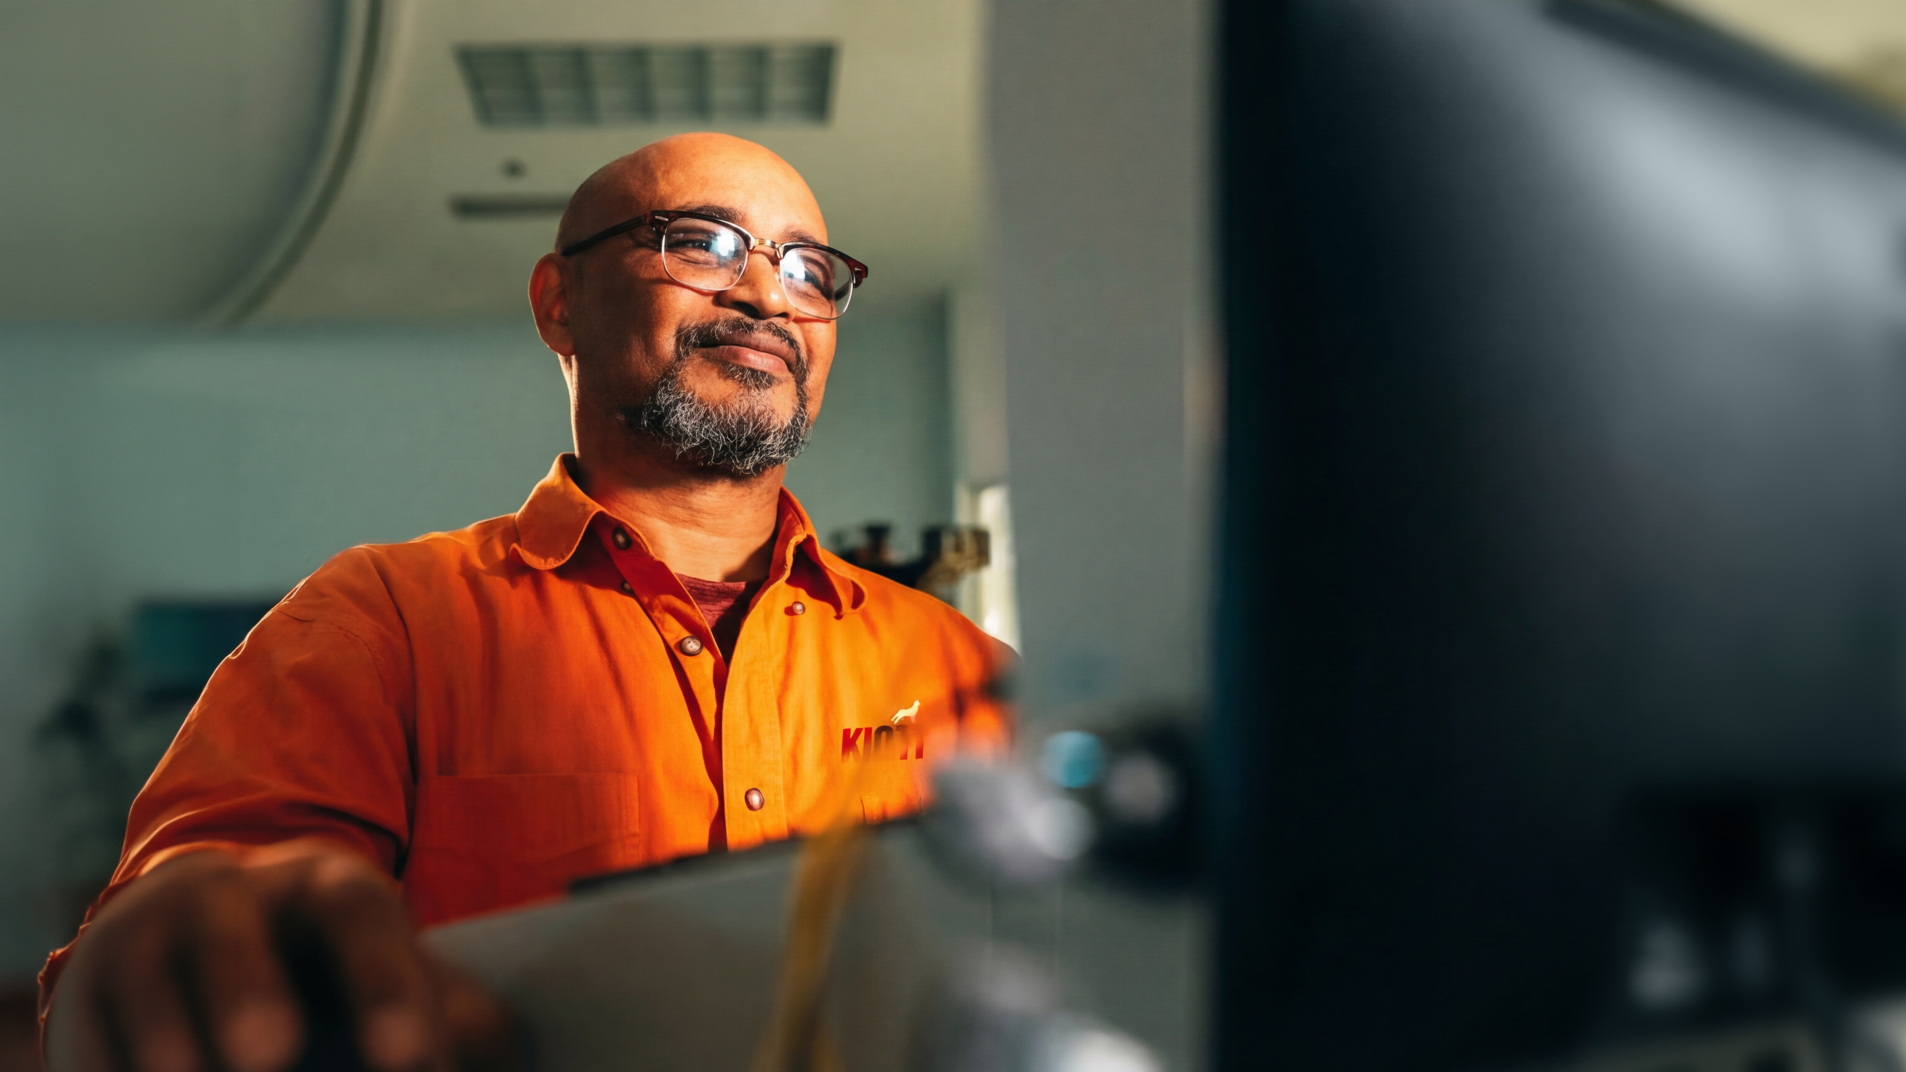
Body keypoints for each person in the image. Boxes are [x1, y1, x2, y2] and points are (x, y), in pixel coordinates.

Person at [40, 132, 1013, 1072]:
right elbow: (155, 959)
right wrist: (190, 940)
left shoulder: (959, 666)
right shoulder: (377, 624)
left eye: (809, 270)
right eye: (700, 243)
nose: (765, 293)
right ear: (559, 302)